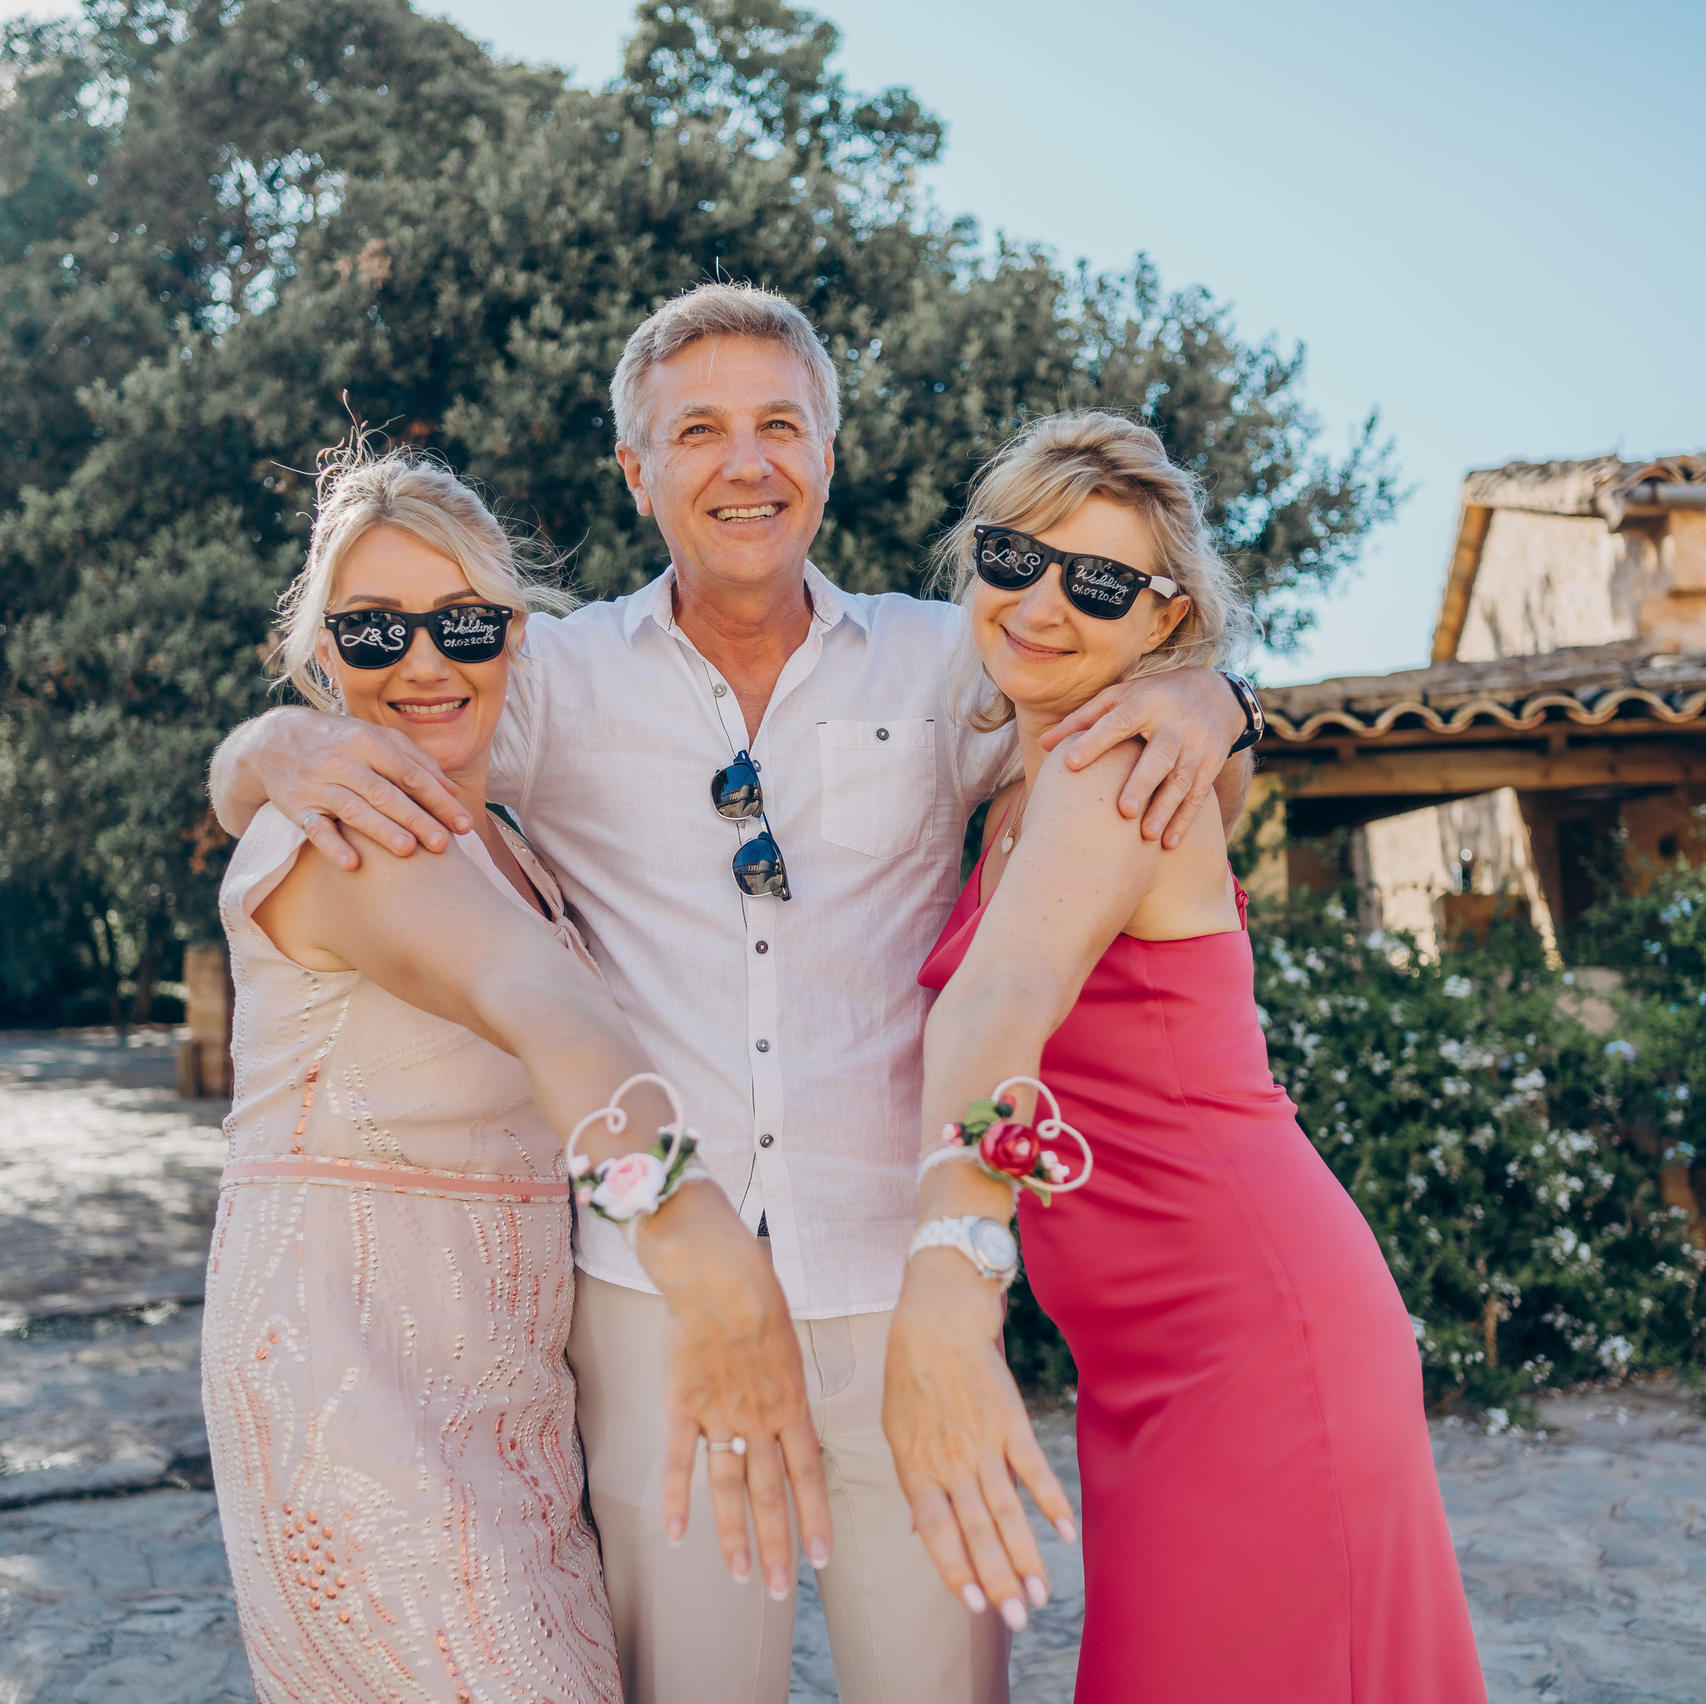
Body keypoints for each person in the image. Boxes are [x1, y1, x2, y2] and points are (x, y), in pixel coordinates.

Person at [209, 282, 1259, 1704]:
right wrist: (264, 748)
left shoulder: (952, 658)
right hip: (653, 1295)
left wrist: (1221, 702)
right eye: (696, 429)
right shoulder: (539, 675)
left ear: (830, 452)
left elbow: (1161, 766)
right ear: (638, 472)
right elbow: (380, 709)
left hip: (897, 1281)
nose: (744, 461)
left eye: (781, 423)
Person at [200, 447, 825, 1703]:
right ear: (323, 653)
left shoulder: (516, 848)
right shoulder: (344, 837)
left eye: (462, 623)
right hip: (348, 1387)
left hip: (514, 1405)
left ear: (515, 639)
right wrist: (691, 1223)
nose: (423, 662)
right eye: (374, 631)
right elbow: (534, 1006)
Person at [883, 412, 1487, 1702]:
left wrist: (953, 1268)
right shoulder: (1020, 786)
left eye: (1098, 583)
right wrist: (1222, 702)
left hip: (1250, 1337)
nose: (1043, 603)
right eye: (1014, 557)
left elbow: (998, 1005)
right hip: (1145, 1363)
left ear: (1164, 622)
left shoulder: (1112, 777)